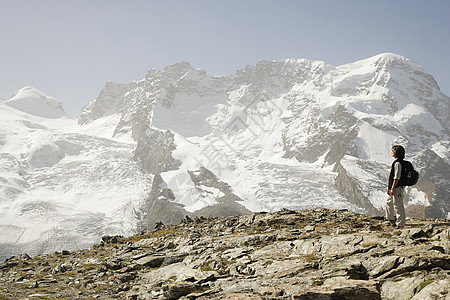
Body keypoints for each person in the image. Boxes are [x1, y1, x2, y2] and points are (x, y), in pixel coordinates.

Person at [386, 145, 406, 228]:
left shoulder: (398, 163)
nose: (392, 152)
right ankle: (390, 219)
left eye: (393, 151)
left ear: (396, 153)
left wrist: (392, 188)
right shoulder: (399, 162)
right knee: (388, 202)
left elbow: (396, 177)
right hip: (395, 187)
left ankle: (400, 224)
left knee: (398, 205)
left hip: (397, 187)